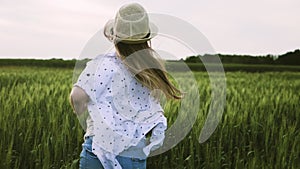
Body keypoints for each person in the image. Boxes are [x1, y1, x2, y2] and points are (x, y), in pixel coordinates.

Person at [70, 3, 182, 169]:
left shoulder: (102, 64)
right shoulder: (151, 71)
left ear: (114, 38)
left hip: (98, 151)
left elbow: (76, 96)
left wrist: (81, 110)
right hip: (133, 154)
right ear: (147, 40)